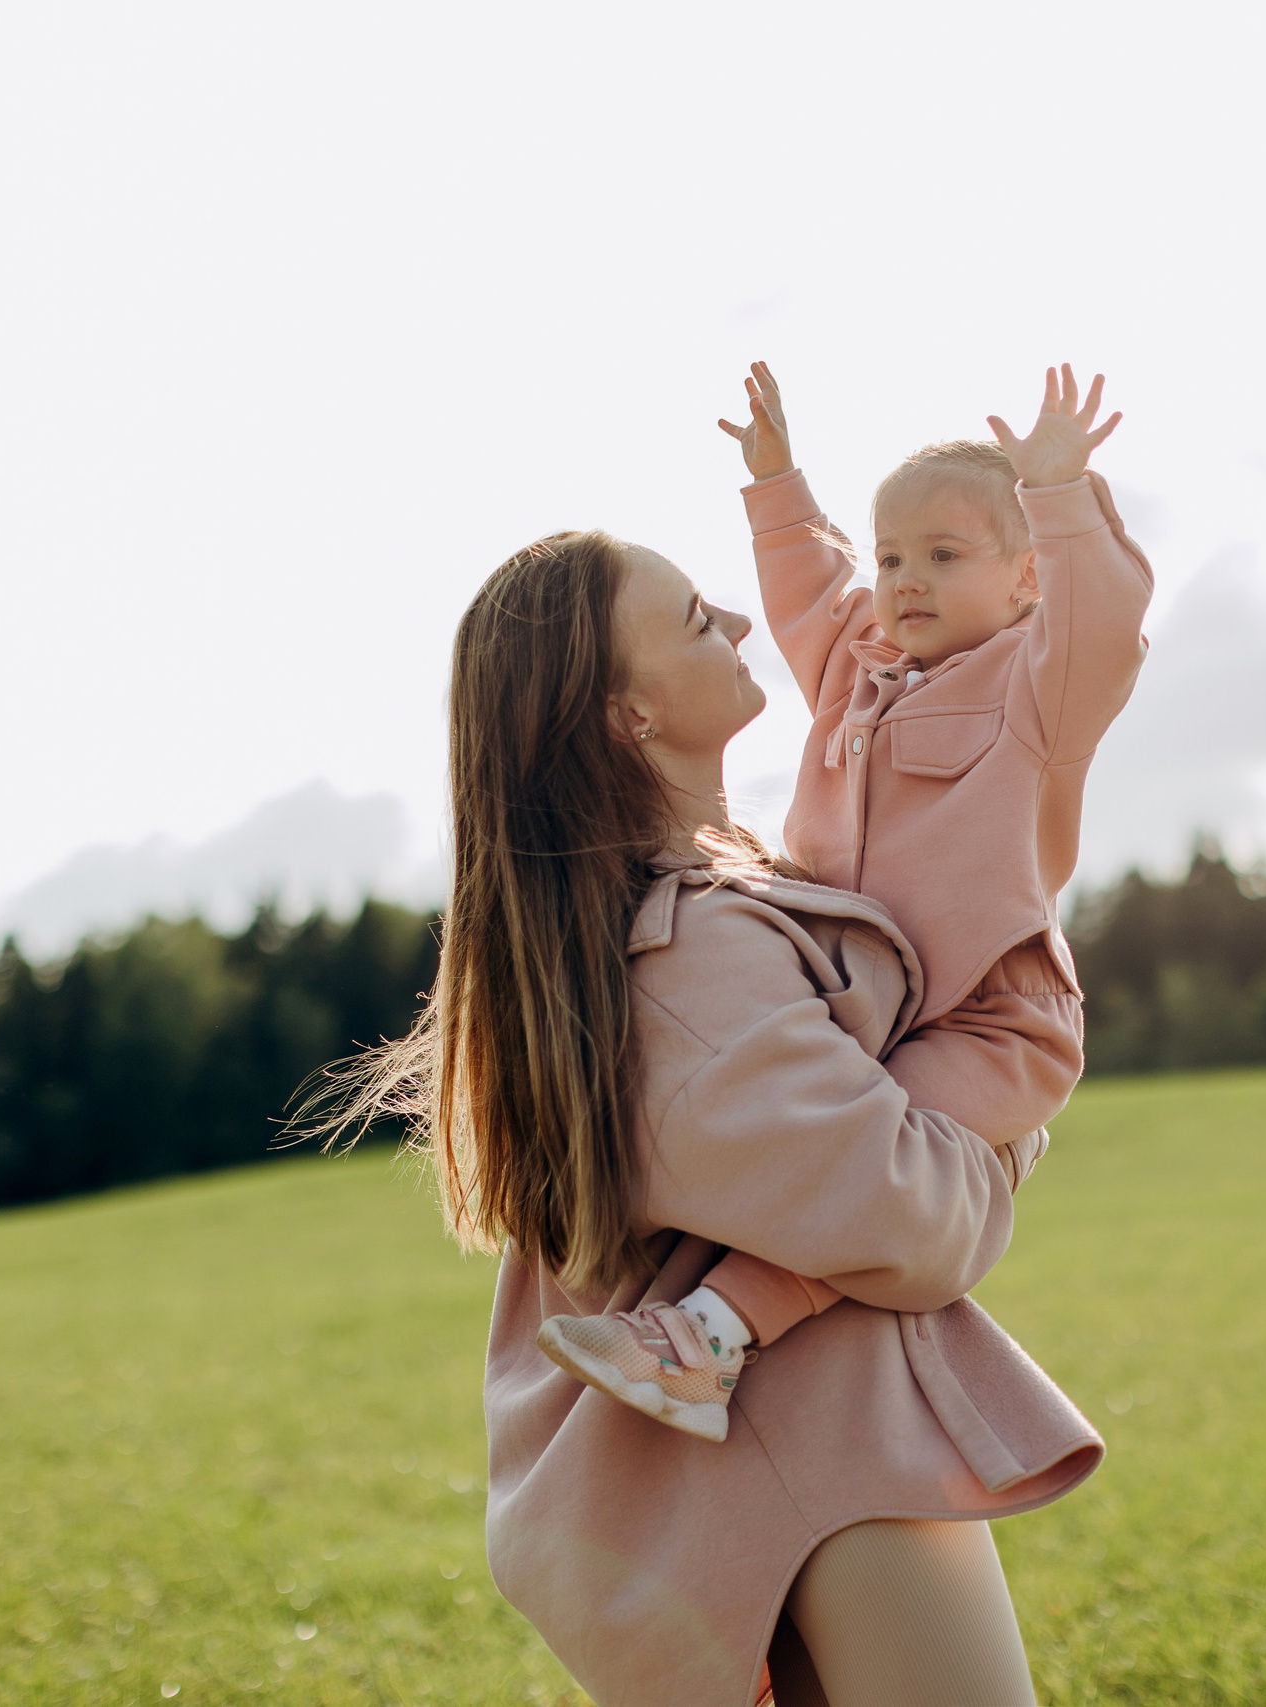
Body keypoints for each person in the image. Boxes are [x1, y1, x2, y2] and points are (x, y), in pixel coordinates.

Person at [314, 528, 1102, 1703]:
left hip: (795, 1464)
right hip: (824, 1461)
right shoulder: (689, 962)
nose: (737, 625)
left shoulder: (697, 916)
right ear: (627, 716)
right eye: (693, 620)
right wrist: (1008, 1116)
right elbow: (913, 1219)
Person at [535, 364, 1152, 1443]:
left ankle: (708, 1339)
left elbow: (1102, 626)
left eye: (945, 557)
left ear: (1025, 581)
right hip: (871, 1003)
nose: (904, 583)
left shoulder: (1034, 684)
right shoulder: (858, 672)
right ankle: (705, 1343)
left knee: (876, 1178)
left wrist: (1059, 501)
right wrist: (775, 484)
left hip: (986, 1016)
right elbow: (811, 594)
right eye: (892, 557)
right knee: (836, 1172)